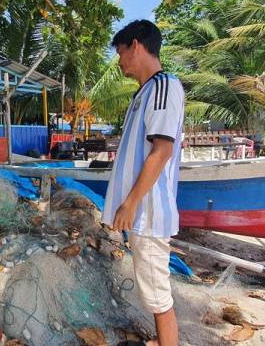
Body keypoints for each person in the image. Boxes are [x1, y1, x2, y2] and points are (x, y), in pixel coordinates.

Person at [103, 20, 184, 346]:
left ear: (135, 46)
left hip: (149, 214)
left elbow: (162, 150)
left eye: (121, 52)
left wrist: (131, 202)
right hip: (141, 216)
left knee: (159, 298)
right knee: (153, 292)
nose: (120, 60)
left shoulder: (164, 86)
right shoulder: (145, 92)